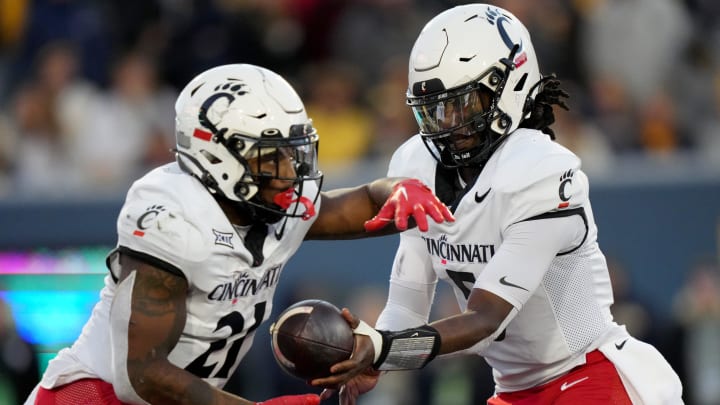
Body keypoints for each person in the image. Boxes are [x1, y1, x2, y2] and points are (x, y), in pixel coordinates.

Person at [311, 4, 684, 405]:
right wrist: (377, 355)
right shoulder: (415, 165)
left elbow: (486, 319)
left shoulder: (541, 171)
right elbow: (406, 307)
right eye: (434, 110)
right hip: (511, 390)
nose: (447, 125)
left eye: (462, 105)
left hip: (590, 373)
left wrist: (385, 348)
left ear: (511, 85)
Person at [24, 63, 454, 405]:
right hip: (96, 397)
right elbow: (142, 374)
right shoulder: (173, 217)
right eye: (273, 159)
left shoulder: (271, 201)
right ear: (218, 156)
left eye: (295, 154)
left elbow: (360, 204)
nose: (292, 174)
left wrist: (394, 190)